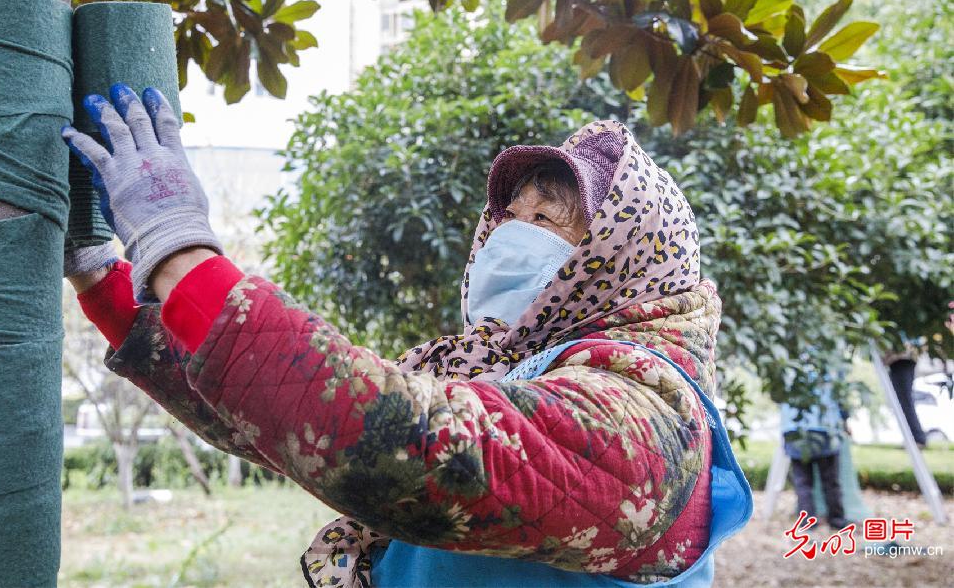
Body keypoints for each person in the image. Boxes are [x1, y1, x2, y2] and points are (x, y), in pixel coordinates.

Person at [61, 84, 751, 588]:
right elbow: (294, 420)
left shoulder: (642, 417)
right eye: (511, 213)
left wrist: (180, 247)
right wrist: (106, 280)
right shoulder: (506, 370)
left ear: (623, 255)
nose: (510, 234)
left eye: (547, 219)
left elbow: (404, 440)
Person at [779, 383, 851, 530]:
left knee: (802, 483)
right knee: (831, 481)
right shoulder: (827, 368)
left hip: (795, 431)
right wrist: (844, 420)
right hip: (825, 430)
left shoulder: (789, 373)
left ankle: (807, 522)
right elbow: (840, 395)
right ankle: (837, 520)